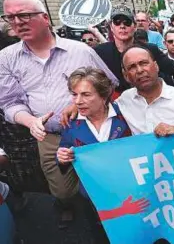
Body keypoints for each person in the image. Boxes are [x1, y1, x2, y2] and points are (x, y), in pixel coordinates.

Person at [0, 0, 119, 227]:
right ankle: (65, 204)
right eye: (10, 17)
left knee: (103, 183)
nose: (17, 22)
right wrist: (30, 121)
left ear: (45, 18)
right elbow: (9, 103)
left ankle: (106, 216)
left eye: (24, 15)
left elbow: (109, 84)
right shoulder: (5, 58)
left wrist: (77, 103)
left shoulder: (80, 51)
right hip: (50, 136)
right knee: (62, 189)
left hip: (90, 131)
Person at [62, 45, 174, 137]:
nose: (140, 70)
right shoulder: (123, 101)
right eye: (132, 67)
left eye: (144, 63)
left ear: (156, 66)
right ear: (126, 75)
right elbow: (100, 105)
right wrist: (77, 105)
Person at [56, 67, 131, 243]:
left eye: (86, 95)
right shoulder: (70, 124)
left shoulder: (126, 115)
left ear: (104, 96)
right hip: (92, 196)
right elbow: (63, 150)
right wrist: (62, 158)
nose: (78, 101)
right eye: (74, 95)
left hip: (127, 192)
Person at [94, 5, 174, 93]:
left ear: (134, 27)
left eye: (127, 22)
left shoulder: (150, 49)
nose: (122, 26)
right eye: (117, 22)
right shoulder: (100, 52)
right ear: (111, 27)